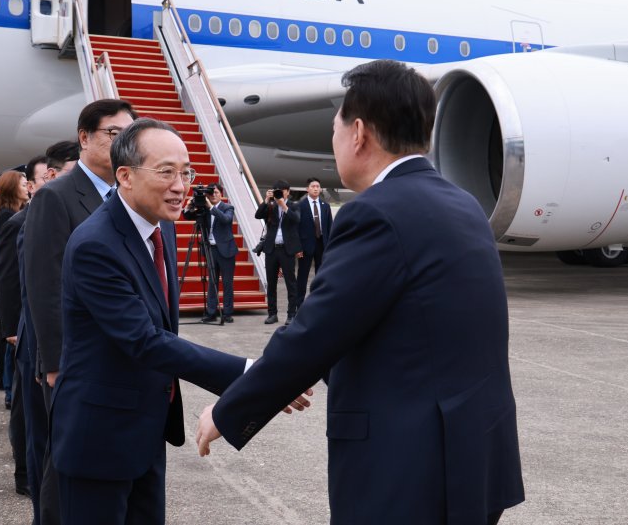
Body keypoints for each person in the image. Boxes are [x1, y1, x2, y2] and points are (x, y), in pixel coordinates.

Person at [196, 60, 525, 524]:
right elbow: (407, 328)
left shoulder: (376, 213)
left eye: (335, 129)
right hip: (473, 456)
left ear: (358, 133)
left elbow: (315, 331)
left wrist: (229, 410)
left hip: (409, 471)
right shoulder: (462, 203)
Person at [51, 118, 252, 525]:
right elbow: (144, 340)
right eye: (166, 172)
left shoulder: (159, 228)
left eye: (187, 172)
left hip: (145, 431)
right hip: (100, 437)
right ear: (124, 175)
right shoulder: (96, 244)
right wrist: (248, 374)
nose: (181, 185)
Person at [24, 99, 136, 525]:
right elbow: (44, 284)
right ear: (84, 137)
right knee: (66, 459)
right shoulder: (56, 196)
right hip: (72, 359)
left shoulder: (127, 194)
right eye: (113, 133)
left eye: (129, 133)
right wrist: (54, 362)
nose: (122, 141)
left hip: (118, 353)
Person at [2, 143, 80, 521]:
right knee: (40, 439)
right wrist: (14, 334)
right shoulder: (24, 221)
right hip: (36, 344)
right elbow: (20, 285)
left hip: (64, 346)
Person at [0, 169, 28, 410]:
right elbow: (5, 265)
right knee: (10, 345)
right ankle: (8, 390)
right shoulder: (9, 217)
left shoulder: (17, 212)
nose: (27, 186)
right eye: (23, 183)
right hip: (10, 295)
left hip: (11, 296)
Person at [182, 182, 238, 323]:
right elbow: (188, 217)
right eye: (211, 193)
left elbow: (226, 220)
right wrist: (188, 206)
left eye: (216, 193)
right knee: (212, 283)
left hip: (226, 251)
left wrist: (211, 207)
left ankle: (227, 313)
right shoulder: (205, 209)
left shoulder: (227, 207)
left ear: (221, 194)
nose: (213, 195)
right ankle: (211, 312)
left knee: (227, 283)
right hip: (210, 249)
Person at [255, 179, 301, 325]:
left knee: (290, 283)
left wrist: (283, 205)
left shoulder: (294, 205)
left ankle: (291, 314)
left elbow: (296, 220)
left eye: (281, 191)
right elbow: (257, 215)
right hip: (271, 249)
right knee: (271, 282)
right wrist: (266, 200)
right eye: (277, 191)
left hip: (287, 250)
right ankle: (272, 314)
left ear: (287, 191)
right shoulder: (271, 206)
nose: (279, 193)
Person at [296, 177, 333, 310]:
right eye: (313, 186)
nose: (316, 188)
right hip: (306, 246)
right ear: (307, 189)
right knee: (303, 274)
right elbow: (297, 228)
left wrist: (330, 246)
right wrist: (298, 247)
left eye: (318, 186)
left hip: (322, 244)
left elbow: (330, 227)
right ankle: (299, 304)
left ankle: (317, 302)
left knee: (321, 274)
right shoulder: (300, 206)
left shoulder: (325, 207)